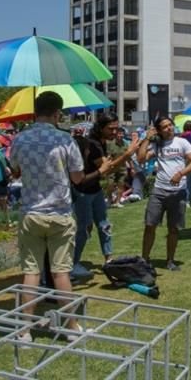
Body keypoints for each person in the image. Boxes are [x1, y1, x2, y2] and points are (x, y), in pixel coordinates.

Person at [9, 92, 89, 341]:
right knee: (60, 272)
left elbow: (15, 170)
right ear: (57, 114)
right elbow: (77, 178)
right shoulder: (65, 140)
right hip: (60, 212)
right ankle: (71, 326)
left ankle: (24, 329)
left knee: (31, 272)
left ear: (35, 112)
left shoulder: (20, 139)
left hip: (31, 212)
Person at [71, 114, 137, 278]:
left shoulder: (102, 142)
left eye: (116, 128)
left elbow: (107, 169)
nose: (114, 132)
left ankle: (108, 259)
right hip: (83, 191)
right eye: (110, 129)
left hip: (94, 190)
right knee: (84, 228)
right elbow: (106, 169)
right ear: (100, 128)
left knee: (104, 225)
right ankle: (73, 263)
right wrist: (127, 154)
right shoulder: (93, 144)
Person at [136, 116, 191, 271]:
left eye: (170, 125)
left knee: (174, 228)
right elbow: (141, 159)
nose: (169, 128)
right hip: (158, 191)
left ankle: (170, 261)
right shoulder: (157, 145)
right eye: (164, 127)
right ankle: (144, 259)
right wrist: (146, 139)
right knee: (150, 225)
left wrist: (181, 173)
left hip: (177, 193)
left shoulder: (182, 142)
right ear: (159, 130)